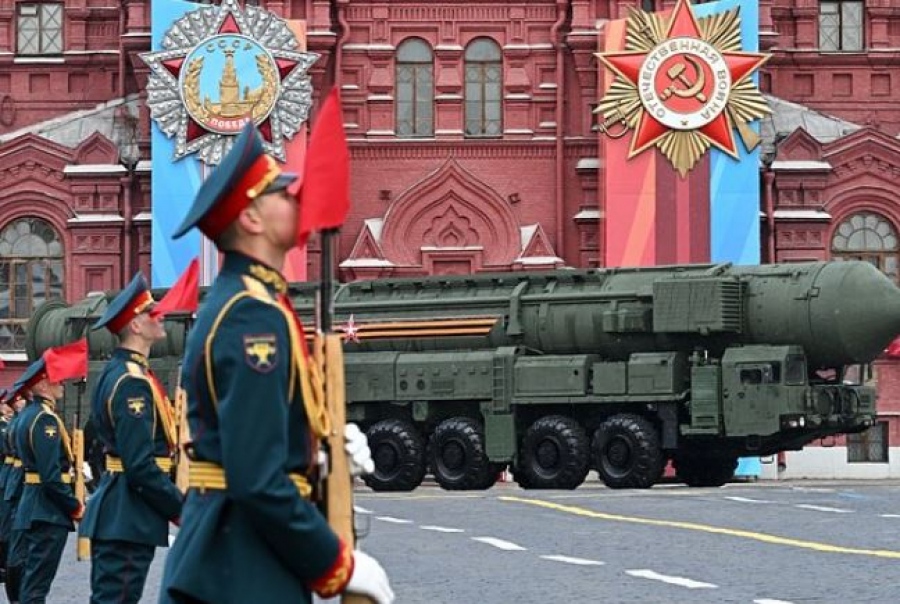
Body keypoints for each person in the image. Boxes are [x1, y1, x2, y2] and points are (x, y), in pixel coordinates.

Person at [161, 124, 392, 604]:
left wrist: (316, 452)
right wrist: (336, 564)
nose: (296, 199)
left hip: (238, 558)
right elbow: (256, 477)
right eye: (281, 193)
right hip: (240, 564)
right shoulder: (252, 316)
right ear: (250, 218)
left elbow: (255, 438)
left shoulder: (254, 302)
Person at [79, 272, 183, 603]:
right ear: (136, 325)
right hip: (128, 513)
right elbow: (139, 464)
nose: (160, 316)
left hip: (123, 511)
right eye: (151, 312)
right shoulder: (132, 381)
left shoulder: (121, 372)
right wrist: (181, 508)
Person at [12, 359, 82, 603]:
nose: (61, 382)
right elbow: (51, 475)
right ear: (42, 385)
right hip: (47, 510)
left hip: (33, 503)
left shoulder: (27, 415)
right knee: (36, 586)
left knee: (30, 581)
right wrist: (74, 505)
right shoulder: (45, 420)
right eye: (56, 378)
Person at [2, 385, 28, 603]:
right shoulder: (17, 424)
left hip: (12, 475)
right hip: (14, 477)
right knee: (11, 532)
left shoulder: (14, 424)